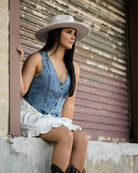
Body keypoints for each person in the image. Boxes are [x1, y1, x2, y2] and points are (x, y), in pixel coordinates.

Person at [17, 14, 90, 173]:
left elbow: (69, 104)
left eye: (74, 34)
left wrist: (66, 126)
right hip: (30, 114)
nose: (73, 37)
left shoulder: (74, 68)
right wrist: (17, 63)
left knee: (81, 138)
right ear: (56, 33)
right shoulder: (37, 59)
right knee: (65, 136)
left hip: (53, 120)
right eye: (69, 32)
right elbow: (21, 90)